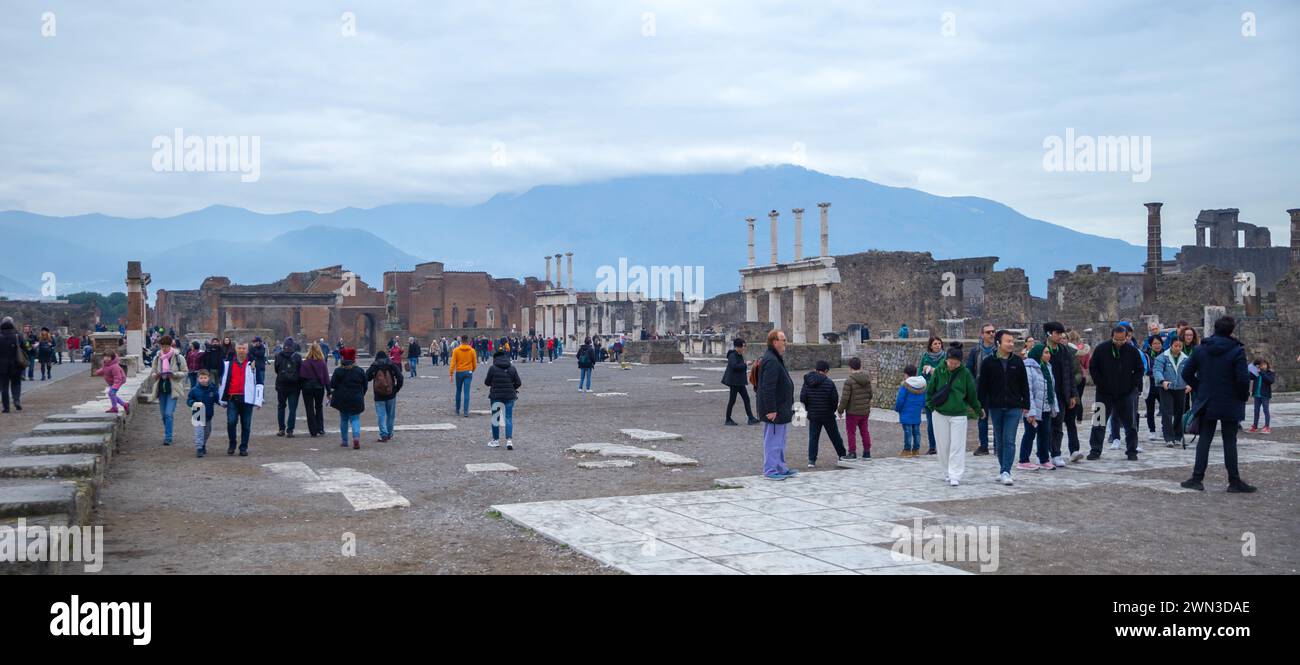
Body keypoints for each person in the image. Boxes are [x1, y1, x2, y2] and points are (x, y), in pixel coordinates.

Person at [1179, 316, 1255, 492]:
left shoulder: (1200, 349)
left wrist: (1201, 389)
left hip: (1208, 399)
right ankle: (1234, 481)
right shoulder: (1237, 350)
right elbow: (1243, 378)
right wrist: (1242, 396)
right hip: (1230, 400)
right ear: (1231, 330)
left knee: (1205, 439)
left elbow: (1186, 373)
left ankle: (1197, 478)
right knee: (1230, 441)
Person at [978, 330, 1030, 485]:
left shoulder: (1017, 362)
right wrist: (981, 406)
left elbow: (1024, 384)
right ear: (999, 343)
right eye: (1008, 341)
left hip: (1014, 407)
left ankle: (1006, 471)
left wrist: (1026, 404)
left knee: (1009, 440)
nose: (1011, 344)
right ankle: (1003, 469)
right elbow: (983, 386)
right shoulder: (988, 362)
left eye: (1012, 341)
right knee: (999, 441)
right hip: (996, 406)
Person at [1088, 325, 1144, 461]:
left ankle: (1131, 450)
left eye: (1122, 340)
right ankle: (1095, 450)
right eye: (1116, 339)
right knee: (1098, 422)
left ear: (1126, 337)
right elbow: (1093, 367)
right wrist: (1100, 383)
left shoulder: (1132, 351)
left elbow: (1139, 369)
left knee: (1130, 424)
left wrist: (1132, 385)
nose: (1119, 342)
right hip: (1103, 393)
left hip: (1125, 394)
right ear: (1112, 336)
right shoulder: (1101, 349)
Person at [928, 347, 982, 486]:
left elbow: (971, 394)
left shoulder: (964, 373)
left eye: (956, 363)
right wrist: (931, 406)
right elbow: (930, 390)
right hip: (940, 413)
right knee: (943, 445)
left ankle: (955, 474)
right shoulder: (939, 371)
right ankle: (946, 471)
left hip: (958, 414)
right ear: (946, 360)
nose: (952, 365)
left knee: (957, 445)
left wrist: (977, 409)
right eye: (950, 362)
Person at [755, 330, 796, 481]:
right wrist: (771, 409)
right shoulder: (771, 360)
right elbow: (768, 387)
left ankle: (780, 467)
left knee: (780, 440)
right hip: (775, 409)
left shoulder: (775, 358)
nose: (785, 342)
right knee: (773, 440)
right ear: (774, 342)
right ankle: (770, 469)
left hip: (782, 408)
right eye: (783, 340)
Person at [218, 343, 264, 456]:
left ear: (247, 350)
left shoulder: (252, 364)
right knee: (231, 422)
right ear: (236, 349)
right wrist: (221, 398)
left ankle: (243, 447)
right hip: (232, 397)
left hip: (247, 398)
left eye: (244, 348)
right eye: (239, 348)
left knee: (246, 425)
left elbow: (259, 382)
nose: (241, 350)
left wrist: (258, 400)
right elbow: (223, 381)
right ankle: (232, 443)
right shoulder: (228, 364)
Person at [1017, 344, 1058, 470]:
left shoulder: (1047, 367)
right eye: (1045, 352)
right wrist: (1030, 410)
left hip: (1045, 407)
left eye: (1049, 352)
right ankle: (1024, 460)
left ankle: (1044, 458)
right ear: (1038, 354)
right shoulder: (1029, 368)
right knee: (1030, 433)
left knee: (1045, 433)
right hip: (1033, 408)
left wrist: (1054, 406)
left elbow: (1051, 388)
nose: (1048, 355)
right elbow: (1028, 390)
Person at [1042, 322, 1078, 466]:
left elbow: (1070, 374)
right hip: (1046, 393)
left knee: (1058, 425)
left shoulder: (1064, 350)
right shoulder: (1041, 350)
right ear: (1049, 334)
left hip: (1062, 393)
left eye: (1061, 333)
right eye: (1057, 333)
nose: (1060, 336)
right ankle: (1043, 453)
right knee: (1044, 426)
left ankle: (1056, 454)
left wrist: (1072, 395)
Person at [800, 360, 847, 467]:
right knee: (834, 436)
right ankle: (842, 454)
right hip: (827, 414)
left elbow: (803, 397)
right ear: (825, 371)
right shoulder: (829, 383)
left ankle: (811, 460)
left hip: (813, 413)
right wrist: (832, 409)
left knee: (813, 437)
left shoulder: (807, 381)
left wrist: (809, 408)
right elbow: (834, 399)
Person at [148, 335, 187, 446]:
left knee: (169, 413)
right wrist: (156, 375)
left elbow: (185, 371)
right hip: (161, 389)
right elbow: (153, 372)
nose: (164, 348)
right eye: (162, 346)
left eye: (166, 346)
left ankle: (168, 437)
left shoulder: (178, 357)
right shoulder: (157, 357)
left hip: (173, 389)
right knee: (163, 415)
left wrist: (174, 374)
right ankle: (168, 432)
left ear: (171, 346)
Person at [966, 323, 998, 455]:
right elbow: (969, 369)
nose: (991, 334)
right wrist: (974, 385)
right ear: (982, 335)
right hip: (981, 389)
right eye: (988, 332)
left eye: (993, 331)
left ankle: (998, 446)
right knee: (982, 417)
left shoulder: (999, 349)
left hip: (997, 389)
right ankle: (983, 446)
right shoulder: (975, 351)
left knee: (997, 418)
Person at [1153, 337, 1191, 447]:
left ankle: (1178, 436)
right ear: (1171, 345)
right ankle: (1168, 437)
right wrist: (1162, 380)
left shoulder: (1186, 359)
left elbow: (1190, 372)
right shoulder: (1162, 357)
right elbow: (1157, 370)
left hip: (1180, 388)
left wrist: (1189, 384)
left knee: (1180, 412)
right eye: (1176, 346)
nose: (1178, 348)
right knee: (1167, 412)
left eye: (1180, 346)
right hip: (1166, 388)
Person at [484, 349, 522, 449]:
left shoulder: (492, 368)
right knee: (508, 418)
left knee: (495, 418)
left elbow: (487, 382)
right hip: (509, 396)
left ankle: (496, 440)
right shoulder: (512, 368)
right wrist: (512, 388)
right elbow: (518, 382)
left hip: (496, 396)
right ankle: (509, 441)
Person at [330, 347, 368, 449]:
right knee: (355, 419)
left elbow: (332, 384)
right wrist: (361, 394)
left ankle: (344, 440)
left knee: (344, 420)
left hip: (342, 399)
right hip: (356, 398)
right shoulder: (359, 371)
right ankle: (356, 438)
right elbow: (365, 385)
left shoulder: (338, 371)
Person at [837, 356, 873, 459]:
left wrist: (840, 410)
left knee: (851, 432)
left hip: (852, 412)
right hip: (865, 411)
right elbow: (870, 395)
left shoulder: (849, 381)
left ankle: (852, 452)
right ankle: (867, 452)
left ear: (850, 367)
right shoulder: (867, 379)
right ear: (860, 366)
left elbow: (845, 398)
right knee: (865, 431)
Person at [366, 350, 404, 442]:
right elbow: (400, 377)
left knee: (381, 415)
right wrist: (396, 389)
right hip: (391, 394)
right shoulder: (391, 364)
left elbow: (366, 377)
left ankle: (383, 434)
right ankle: (390, 433)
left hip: (378, 395)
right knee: (390, 415)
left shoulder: (374, 366)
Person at [917, 336, 946, 455]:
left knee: (943, 421)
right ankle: (932, 446)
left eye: (939, 343)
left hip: (942, 392)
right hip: (929, 393)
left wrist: (930, 369)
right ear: (931, 346)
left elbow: (944, 372)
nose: (938, 345)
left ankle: (943, 445)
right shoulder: (925, 357)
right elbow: (920, 374)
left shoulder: (945, 357)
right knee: (930, 422)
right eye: (935, 344)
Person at [722, 338, 758, 426]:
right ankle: (728, 419)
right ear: (738, 347)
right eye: (743, 346)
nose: (744, 348)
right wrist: (745, 364)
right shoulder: (732, 355)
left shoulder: (738, 354)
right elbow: (735, 366)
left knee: (746, 399)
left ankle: (751, 418)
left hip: (739, 382)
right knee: (732, 400)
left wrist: (746, 363)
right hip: (734, 382)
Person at [273, 337, 304, 438]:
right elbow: (301, 370)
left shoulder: (278, 356)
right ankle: (290, 430)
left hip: (281, 385)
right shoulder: (297, 357)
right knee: (292, 409)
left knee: (281, 407)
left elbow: (276, 370)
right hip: (294, 387)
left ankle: (281, 429)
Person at [298, 342, 330, 438]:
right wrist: (329, 391)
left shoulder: (305, 363)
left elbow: (301, 377)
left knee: (309, 408)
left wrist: (300, 387)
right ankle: (320, 428)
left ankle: (313, 430)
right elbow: (326, 378)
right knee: (319, 407)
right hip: (319, 388)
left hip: (307, 388)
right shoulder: (322, 363)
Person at [895, 365, 927, 457]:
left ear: (906, 374)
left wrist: (897, 409)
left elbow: (900, 399)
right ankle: (916, 450)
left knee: (908, 432)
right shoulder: (922, 384)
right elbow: (924, 399)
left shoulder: (905, 385)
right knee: (916, 432)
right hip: (916, 412)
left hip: (906, 412)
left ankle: (907, 450)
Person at [186, 370, 219, 458]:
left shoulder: (212, 389)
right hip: (198, 412)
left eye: (205, 378)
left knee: (207, 431)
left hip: (208, 414)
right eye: (201, 378)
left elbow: (217, 398)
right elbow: (188, 400)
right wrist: (193, 403)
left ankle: (203, 443)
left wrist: (222, 403)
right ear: (198, 379)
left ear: (208, 378)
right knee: (199, 431)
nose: (203, 380)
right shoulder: (194, 390)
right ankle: (199, 448)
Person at [1141, 334, 1164, 442]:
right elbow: (1144, 369)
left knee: (1165, 409)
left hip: (1162, 385)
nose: (1157, 345)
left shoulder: (1166, 354)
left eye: (1159, 343)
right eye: (1154, 343)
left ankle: (1165, 429)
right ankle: (1152, 430)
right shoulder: (1145, 355)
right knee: (1150, 410)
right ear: (1150, 345)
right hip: (1149, 385)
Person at [449, 335, 477, 417]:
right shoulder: (472, 350)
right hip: (468, 372)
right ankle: (465, 411)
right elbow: (475, 363)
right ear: (467, 341)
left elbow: (453, 363)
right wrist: (472, 370)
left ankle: (457, 410)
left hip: (459, 372)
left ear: (460, 341)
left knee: (458, 391)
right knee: (467, 392)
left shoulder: (456, 350)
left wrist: (451, 373)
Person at [0, 317, 23, 413]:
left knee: (4, 387)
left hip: (1, 366)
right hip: (16, 364)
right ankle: (16, 400)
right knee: (16, 383)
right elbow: (26, 348)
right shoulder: (18, 336)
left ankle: (6, 407)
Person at [1248, 359, 1274, 434]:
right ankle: (1255, 426)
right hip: (1257, 394)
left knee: (1266, 410)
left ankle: (1267, 426)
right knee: (1256, 411)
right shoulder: (1257, 373)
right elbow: (1250, 376)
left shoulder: (1270, 373)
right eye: (1261, 365)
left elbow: (1270, 381)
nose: (1263, 366)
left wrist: (1262, 372)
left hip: (1265, 395)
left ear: (1267, 365)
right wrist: (1253, 365)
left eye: (1264, 365)